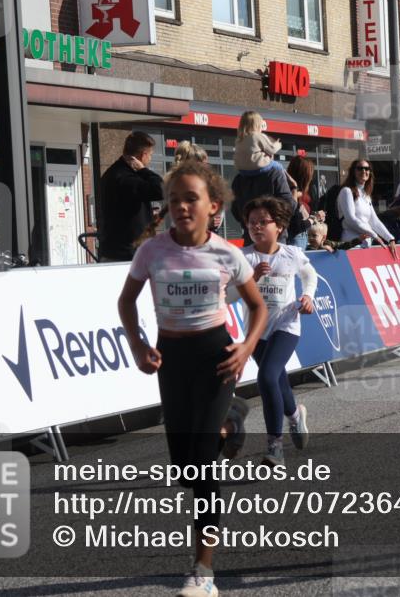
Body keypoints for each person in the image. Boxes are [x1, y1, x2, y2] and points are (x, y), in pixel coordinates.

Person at [117, 161, 267, 597]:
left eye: (191, 199)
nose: (181, 206)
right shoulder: (152, 251)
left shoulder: (227, 253)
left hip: (215, 357)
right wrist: (137, 345)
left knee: (202, 468)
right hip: (173, 358)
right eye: (174, 199)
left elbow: (258, 308)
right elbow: (126, 302)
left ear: (213, 206)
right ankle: (231, 421)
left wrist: (246, 348)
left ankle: (203, 571)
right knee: (183, 466)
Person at [239, 196, 317, 466]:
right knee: (277, 380)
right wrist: (252, 279)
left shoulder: (291, 254)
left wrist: (307, 296)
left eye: (263, 222)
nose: (256, 227)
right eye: (252, 223)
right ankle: (295, 416)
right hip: (257, 330)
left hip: (286, 325)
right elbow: (227, 295)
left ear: (279, 226)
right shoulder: (244, 257)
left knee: (267, 376)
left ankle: (275, 447)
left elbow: (310, 276)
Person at [99, 131, 164, 262]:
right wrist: (143, 170)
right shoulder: (125, 178)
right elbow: (161, 189)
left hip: (118, 250)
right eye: (150, 155)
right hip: (127, 254)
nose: (150, 159)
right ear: (143, 155)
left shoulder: (112, 173)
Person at [337, 159, 397, 254]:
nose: (364, 171)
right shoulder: (346, 191)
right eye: (360, 168)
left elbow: (374, 221)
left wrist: (390, 238)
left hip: (365, 246)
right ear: (353, 172)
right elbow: (350, 219)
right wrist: (373, 234)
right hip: (351, 246)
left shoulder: (366, 195)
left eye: (367, 168)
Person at [286, 156, 318, 249]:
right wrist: (313, 219)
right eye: (311, 174)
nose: (312, 177)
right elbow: (297, 226)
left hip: (299, 240)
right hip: (295, 242)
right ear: (305, 175)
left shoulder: (295, 193)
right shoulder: (292, 194)